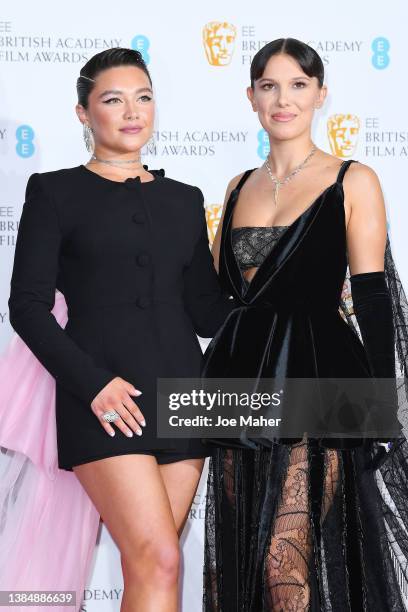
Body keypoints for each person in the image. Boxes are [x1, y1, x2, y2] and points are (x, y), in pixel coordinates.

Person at [1, 47, 234, 612]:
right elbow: (26, 306)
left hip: (186, 395)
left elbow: (205, 310)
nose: (133, 112)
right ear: (84, 113)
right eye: (113, 99)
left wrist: (286, 302)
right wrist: (94, 385)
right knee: (158, 557)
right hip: (103, 398)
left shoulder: (184, 199)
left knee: (155, 564)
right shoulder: (54, 191)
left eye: (144, 97)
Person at [202, 38, 408, 611]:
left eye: (298, 85)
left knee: (283, 563)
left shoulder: (353, 179)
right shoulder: (236, 187)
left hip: (319, 379)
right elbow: (218, 301)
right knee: (241, 561)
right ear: (251, 97)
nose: (283, 99)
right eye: (269, 86)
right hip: (240, 386)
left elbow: (372, 297)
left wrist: (380, 401)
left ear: (321, 95)